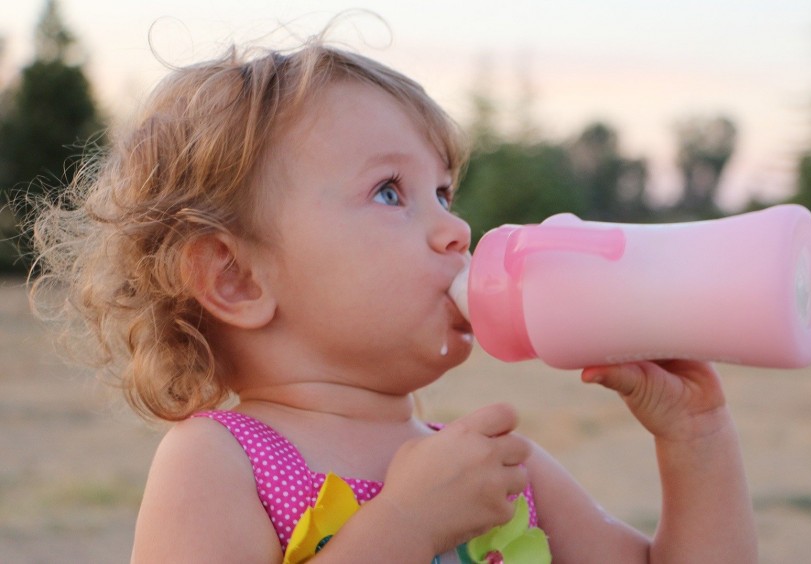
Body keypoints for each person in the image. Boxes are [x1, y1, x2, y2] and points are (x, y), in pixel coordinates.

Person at [30, 27, 758, 563]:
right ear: (237, 278)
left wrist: (698, 444)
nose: (456, 227)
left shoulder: (501, 470)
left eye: (444, 191)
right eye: (389, 192)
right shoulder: (219, 462)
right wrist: (407, 525)